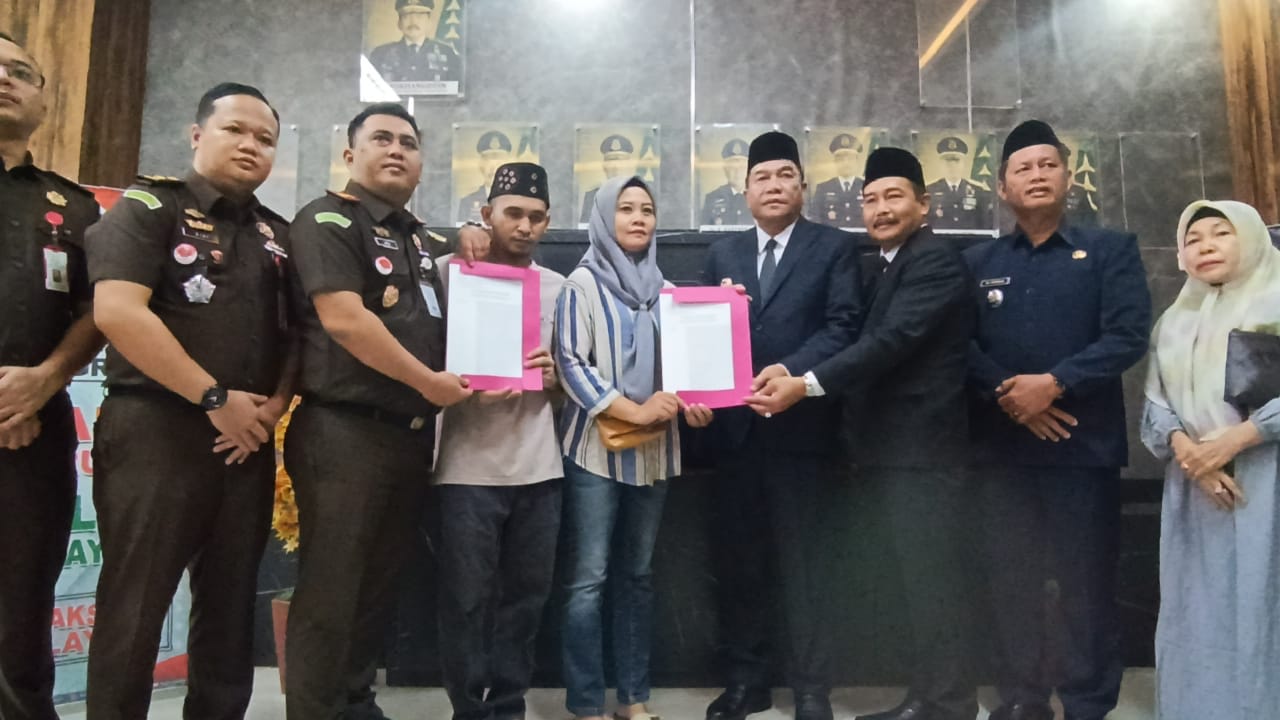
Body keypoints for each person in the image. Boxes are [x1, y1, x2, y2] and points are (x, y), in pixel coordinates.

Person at [85, 82, 295, 720]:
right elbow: (118, 312)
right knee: (136, 604)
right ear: (198, 134)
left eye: (265, 138)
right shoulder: (151, 207)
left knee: (229, 610)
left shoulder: (279, 235)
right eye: (235, 130)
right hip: (157, 432)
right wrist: (213, 397)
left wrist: (271, 409)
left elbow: (299, 337)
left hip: (245, 440)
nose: (251, 145)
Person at [746, 147, 977, 720]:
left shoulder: (935, 261)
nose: (880, 209)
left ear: (925, 204)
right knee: (917, 582)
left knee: (933, 581)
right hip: (887, 451)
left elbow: (889, 342)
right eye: (870, 199)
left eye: (894, 196)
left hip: (922, 452)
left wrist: (805, 383)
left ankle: (947, 703)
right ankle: (930, 696)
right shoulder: (885, 263)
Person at [284, 102, 471, 720]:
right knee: (330, 592)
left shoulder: (418, 239)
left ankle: (355, 704)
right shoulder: (328, 221)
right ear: (350, 154)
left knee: (375, 589)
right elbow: (344, 319)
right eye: (382, 139)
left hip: (407, 437)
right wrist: (430, 383)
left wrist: (472, 234)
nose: (396, 150)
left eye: (408, 143)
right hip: (343, 433)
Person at [965, 119, 1151, 720]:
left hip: (1082, 447)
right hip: (1003, 451)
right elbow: (958, 345)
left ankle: (1087, 700)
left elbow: (1127, 336)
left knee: (1085, 583)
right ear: (1002, 188)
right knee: (1010, 582)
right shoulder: (978, 261)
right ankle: (1021, 697)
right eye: (1023, 168)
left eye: (1048, 164)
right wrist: (1011, 396)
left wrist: (1054, 385)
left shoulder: (1109, 250)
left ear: (1069, 178)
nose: (1037, 175)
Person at [701, 131, 862, 720]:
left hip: (804, 434)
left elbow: (845, 326)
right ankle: (746, 682)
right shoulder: (723, 255)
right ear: (745, 191)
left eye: (784, 175)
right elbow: (704, 336)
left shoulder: (834, 247)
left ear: (803, 186)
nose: (773, 186)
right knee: (739, 564)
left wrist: (791, 370)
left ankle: (812, 688)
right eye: (762, 177)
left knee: (806, 568)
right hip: (736, 436)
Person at [554, 174, 713, 720]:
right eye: (625, 208)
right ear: (604, 218)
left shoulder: (667, 292)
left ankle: (633, 699)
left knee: (638, 577)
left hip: (654, 454)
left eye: (647, 209)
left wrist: (721, 319)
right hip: (595, 454)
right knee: (589, 581)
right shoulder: (580, 285)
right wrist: (635, 410)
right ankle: (585, 704)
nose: (639, 218)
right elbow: (571, 365)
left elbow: (694, 361)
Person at [433, 162, 565, 720]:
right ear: (487, 214)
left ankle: (509, 706)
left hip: (539, 468)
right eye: (513, 213)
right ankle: (468, 709)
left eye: (537, 217)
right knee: (465, 601)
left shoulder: (558, 288)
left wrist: (556, 378)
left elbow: (572, 385)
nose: (525, 226)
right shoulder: (447, 273)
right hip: (464, 468)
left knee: (525, 602)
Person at [1141, 199, 1280, 719]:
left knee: (1266, 604)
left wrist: (1240, 438)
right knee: (1201, 608)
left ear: (1251, 238)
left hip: (1267, 478)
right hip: (1195, 486)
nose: (1206, 247)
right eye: (1193, 239)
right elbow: (1156, 403)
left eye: (1221, 233)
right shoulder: (1174, 321)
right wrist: (1189, 452)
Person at [0, 30, 105, 720]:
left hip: (35, 429)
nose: (4, 79)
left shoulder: (73, 207)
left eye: (20, 71)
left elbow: (99, 311)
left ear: (44, 98)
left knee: (21, 605)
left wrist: (43, 380)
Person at [368, 0, 459, 84]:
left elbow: (457, 90)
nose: (413, 22)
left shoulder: (447, 53)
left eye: (419, 16)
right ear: (399, 23)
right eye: (406, 17)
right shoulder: (380, 54)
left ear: (429, 22)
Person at [926, 136, 994, 231]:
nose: (952, 166)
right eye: (948, 161)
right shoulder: (930, 190)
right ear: (941, 164)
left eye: (957, 161)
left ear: (964, 164)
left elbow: (984, 222)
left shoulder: (978, 191)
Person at [809, 133, 865, 227]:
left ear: (857, 161)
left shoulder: (866, 186)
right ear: (835, 162)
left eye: (850, 159)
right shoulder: (823, 188)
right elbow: (815, 219)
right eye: (841, 159)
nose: (846, 163)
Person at [579, 134, 638, 224]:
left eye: (621, 161)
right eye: (611, 160)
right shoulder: (592, 196)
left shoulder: (639, 195)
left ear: (629, 165)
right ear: (604, 166)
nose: (616, 166)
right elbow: (584, 227)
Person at [458, 130, 513, 223]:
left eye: (499, 159)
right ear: (481, 164)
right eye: (488, 159)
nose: (493, 167)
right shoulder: (467, 202)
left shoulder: (519, 201)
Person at [700, 138, 751, 227]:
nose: (737, 171)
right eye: (732, 167)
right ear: (725, 169)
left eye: (742, 166)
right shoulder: (712, 199)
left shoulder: (760, 197)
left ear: (749, 169)